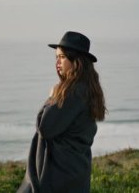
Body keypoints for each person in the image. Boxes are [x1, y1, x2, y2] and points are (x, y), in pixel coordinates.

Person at [17, 31, 106, 193]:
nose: (58, 62)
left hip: (60, 174)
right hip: (75, 170)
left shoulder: (73, 92)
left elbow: (46, 128)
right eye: (56, 57)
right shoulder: (88, 88)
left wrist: (52, 98)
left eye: (63, 57)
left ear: (76, 61)